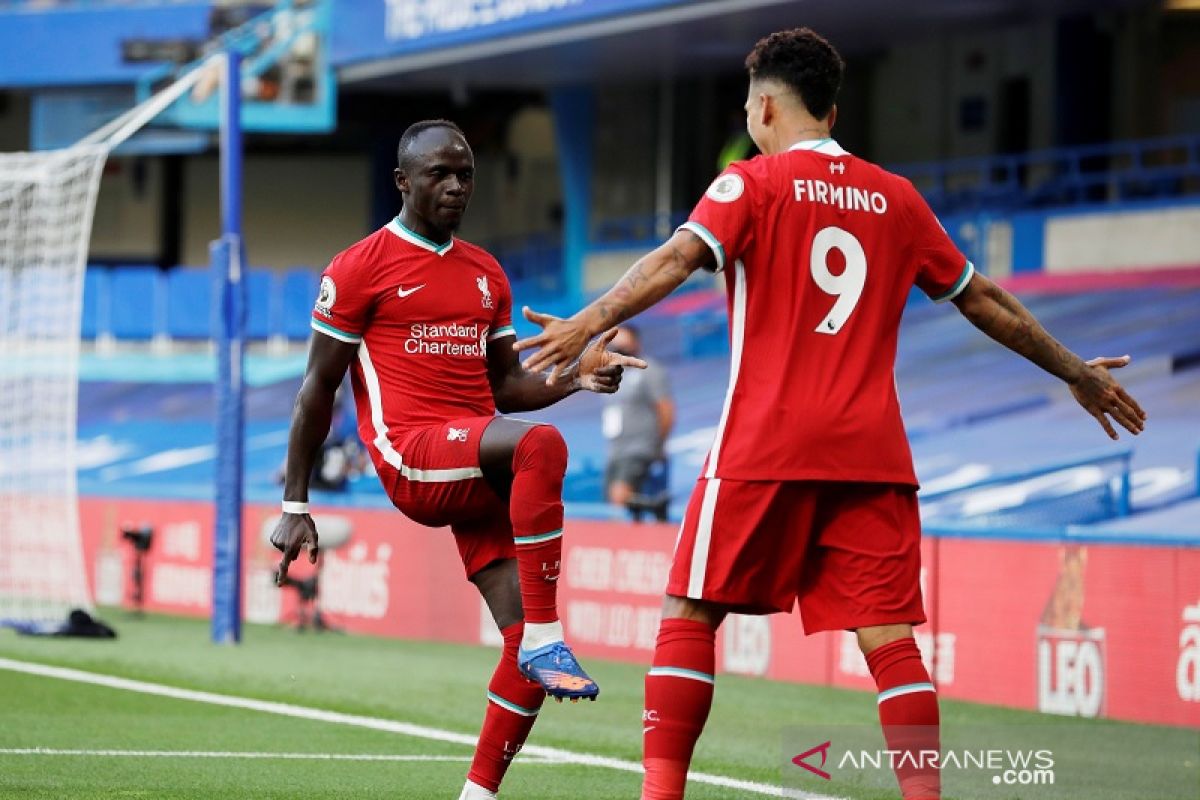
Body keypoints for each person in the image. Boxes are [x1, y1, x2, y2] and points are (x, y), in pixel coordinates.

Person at [513, 28, 1146, 800]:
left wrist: (588, 319)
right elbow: (983, 300)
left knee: (690, 610)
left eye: (750, 104)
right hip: (872, 455)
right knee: (889, 640)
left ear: (768, 107)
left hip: (765, 441)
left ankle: (660, 793)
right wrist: (1075, 371)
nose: (749, 116)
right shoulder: (898, 198)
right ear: (834, 109)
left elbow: (678, 258)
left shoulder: (747, 184)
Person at [269, 119, 646, 800]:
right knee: (543, 448)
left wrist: (575, 377)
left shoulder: (484, 272)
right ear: (402, 181)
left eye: (465, 173)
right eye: (439, 173)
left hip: (473, 460)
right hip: (410, 456)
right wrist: (296, 505)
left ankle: (478, 792)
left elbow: (505, 387)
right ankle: (550, 634)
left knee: (517, 641)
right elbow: (316, 389)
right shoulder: (358, 268)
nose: (454, 186)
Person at [602, 325, 675, 522]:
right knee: (613, 499)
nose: (618, 344)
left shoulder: (648, 370)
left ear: (635, 342)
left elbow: (665, 409)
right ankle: (648, 515)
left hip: (639, 447)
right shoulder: (613, 373)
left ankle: (657, 511)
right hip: (616, 449)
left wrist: (659, 444)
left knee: (620, 495)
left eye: (623, 339)